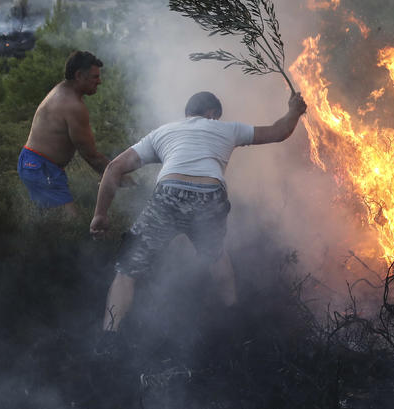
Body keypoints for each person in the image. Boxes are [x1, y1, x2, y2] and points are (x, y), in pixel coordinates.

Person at [89, 89, 307, 332]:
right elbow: (279, 132)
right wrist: (294, 111)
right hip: (210, 195)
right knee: (215, 255)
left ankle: (109, 335)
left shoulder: (162, 132)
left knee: (128, 268)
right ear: (212, 113)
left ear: (187, 113)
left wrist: (100, 214)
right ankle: (234, 322)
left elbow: (113, 168)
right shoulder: (227, 128)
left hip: (169, 193)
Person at [18, 50, 111, 217]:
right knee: (70, 222)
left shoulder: (62, 90)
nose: (100, 81)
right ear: (79, 75)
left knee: (49, 221)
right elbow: (91, 156)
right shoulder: (72, 105)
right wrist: (117, 173)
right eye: (95, 77)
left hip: (35, 163)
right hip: (40, 167)